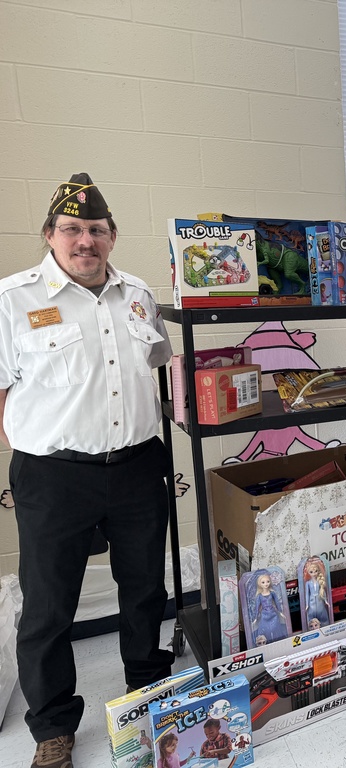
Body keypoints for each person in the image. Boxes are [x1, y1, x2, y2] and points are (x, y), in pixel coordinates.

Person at [0, 173, 174, 768]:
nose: (85, 241)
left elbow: (156, 366)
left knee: (146, 586)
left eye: (96, 230)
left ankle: (148, 691)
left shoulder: (139, 293)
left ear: (113, 236)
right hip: (53, 474)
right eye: (72, 229)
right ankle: (53, 728)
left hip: (136, 465)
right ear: (50, 235)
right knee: (49, 604)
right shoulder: (13, 299)